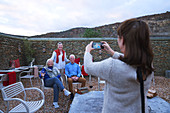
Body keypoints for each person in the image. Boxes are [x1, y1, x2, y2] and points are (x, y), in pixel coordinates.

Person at [84, 18, 154, 113]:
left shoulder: (112, 66)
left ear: (123, 40)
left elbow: (88, 68)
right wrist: (112, 52)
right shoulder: (148, 64)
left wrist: (87, 51)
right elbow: (130, 61)